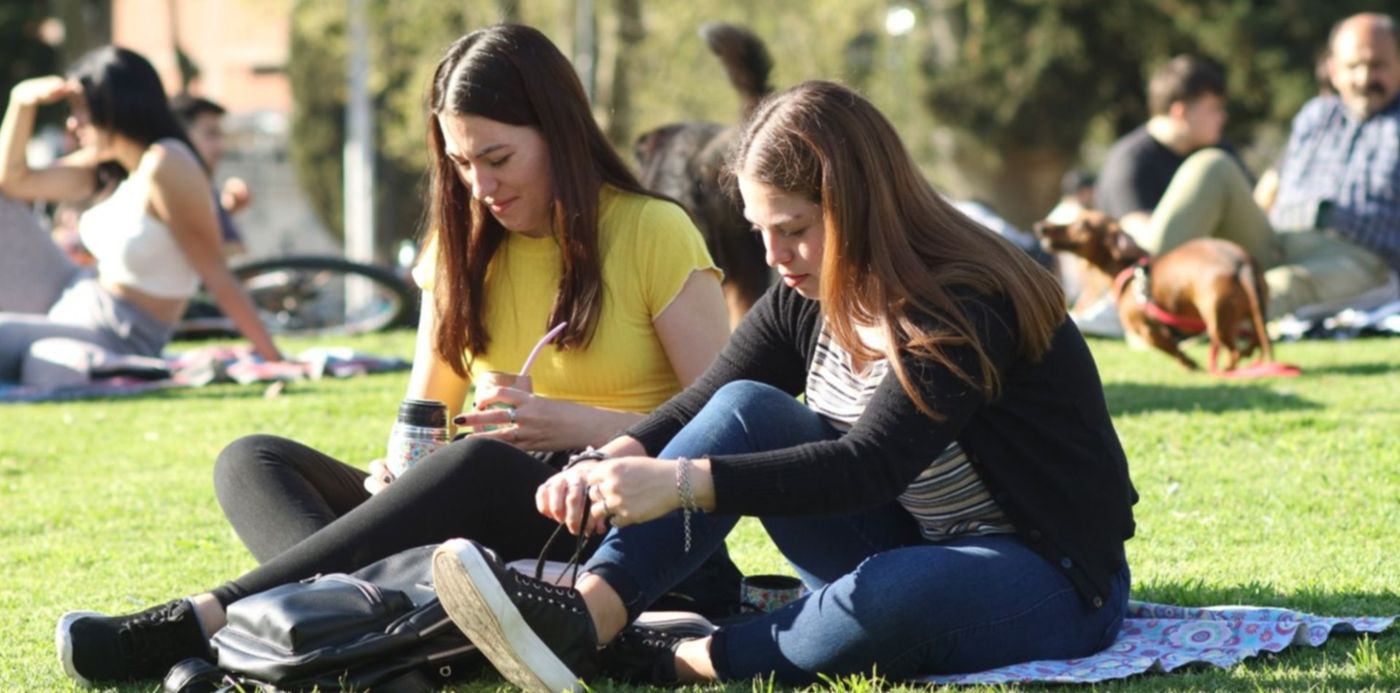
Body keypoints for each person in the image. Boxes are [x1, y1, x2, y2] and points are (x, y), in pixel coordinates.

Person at [54, 25, 741, 686]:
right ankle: (397, 629)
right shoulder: (461, 247)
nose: (479, 186)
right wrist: (398, 470)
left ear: (559, 132)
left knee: (474, 464)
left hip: (621, 528)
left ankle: (206, 618)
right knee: (253, 460)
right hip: (481, 525)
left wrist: (575, 425)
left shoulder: (655, 231)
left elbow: (728, 427)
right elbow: (426, 412)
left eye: (497, 159)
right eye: (461, 163)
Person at [430, 80, 1138, 689]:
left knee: (889, 593)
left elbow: (869, 464)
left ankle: (680, 658)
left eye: (794, 228)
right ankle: (585, 618)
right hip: (909, 536)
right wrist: (610, 456)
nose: (774, 257)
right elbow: (706, 401)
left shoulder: (961, 304)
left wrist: (678, 481)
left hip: (1050, 573)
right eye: (757, 229)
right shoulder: (807, 286)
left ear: (859, 205)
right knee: (745, 407)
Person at [0, 46, 282, 386]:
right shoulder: (111, 164)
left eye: (81, 110)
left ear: (114, 106)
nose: (73, 125)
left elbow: (215, 271)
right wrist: (21, 103)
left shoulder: (167, 164)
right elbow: (13, 183)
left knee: (32, 356)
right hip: (69, 290)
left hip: (116, 332)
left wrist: (274, 359)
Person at [1099, 14, 1400, 320]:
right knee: (1213, 163)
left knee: (1279, 284)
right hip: (1280, 240)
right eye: (1353, 67)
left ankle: (1194, 325)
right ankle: (1136, 289)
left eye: (1377, 66)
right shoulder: (1316, 116)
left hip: (1360, 257)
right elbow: (1273, 183)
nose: (1364, 78)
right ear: (1334, 70)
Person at [170, 94, 248, 257]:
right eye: (211, 134)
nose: (221, 146)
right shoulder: (176, 189)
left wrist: (226, 210)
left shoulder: (205, 188)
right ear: (182, 136)